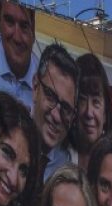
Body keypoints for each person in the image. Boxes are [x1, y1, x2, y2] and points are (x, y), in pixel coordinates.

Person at [33, 43, 79, 180]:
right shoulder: (7, 137)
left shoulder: (67, 174)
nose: (56, 116)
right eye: (51, 96)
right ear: (35, 87)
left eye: (66, 108)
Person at [73, 54, 112, 171]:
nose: (89, 112)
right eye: (82, 99)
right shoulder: (58, 156)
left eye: (96, 102)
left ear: (105, 113)